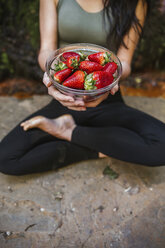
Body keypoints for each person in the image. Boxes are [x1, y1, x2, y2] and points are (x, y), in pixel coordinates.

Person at [0, 0, 165, 176]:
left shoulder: (134, 2)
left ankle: (67, 130)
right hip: (66, 99)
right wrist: (51, 76)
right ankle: (101, 146)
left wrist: (111, 81)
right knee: (6, 158)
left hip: (106, 97)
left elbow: (124, 61)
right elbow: (47, 49)